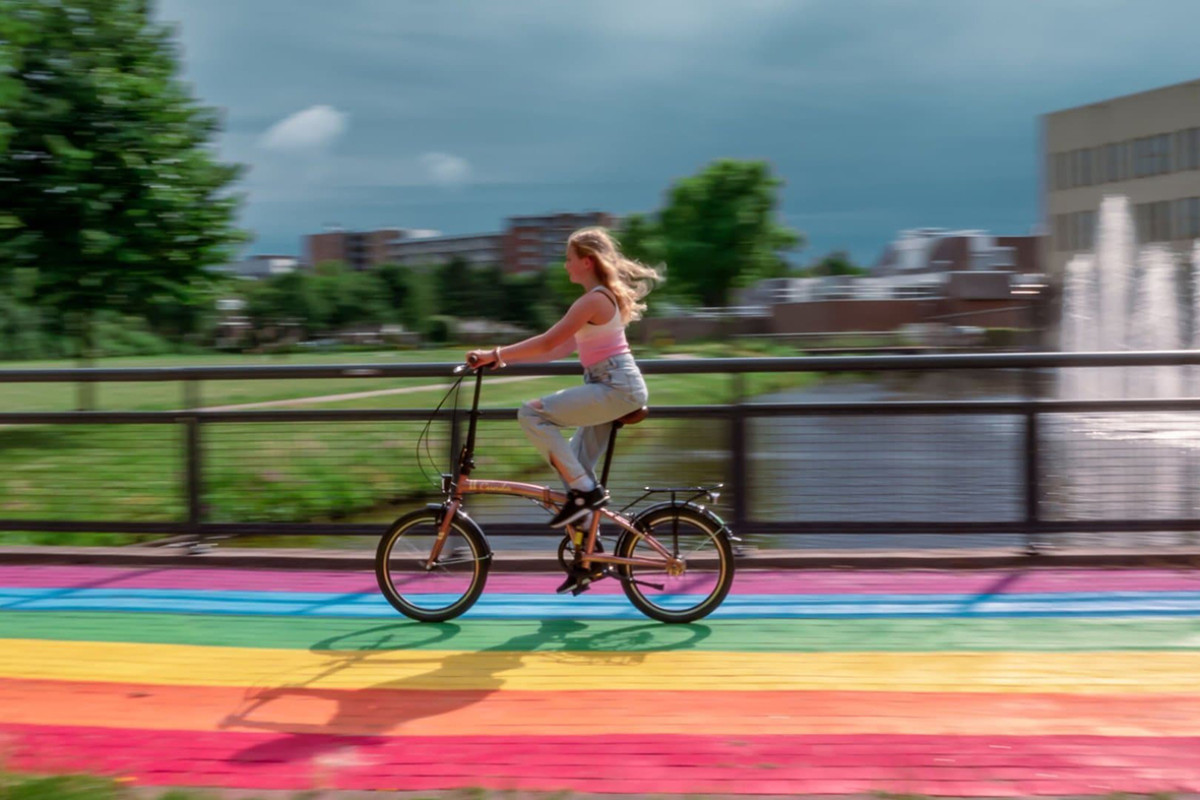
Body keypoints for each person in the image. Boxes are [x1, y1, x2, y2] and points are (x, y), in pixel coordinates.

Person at [466, 226, 661, 537]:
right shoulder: (596, 300)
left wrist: (494, 352)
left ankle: (586, 493)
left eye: (569, 258)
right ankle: (588, 555)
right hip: (613, 387)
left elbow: (546, 342)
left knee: (531, 413)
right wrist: (500, 359)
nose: (565, 264)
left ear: (587, 261)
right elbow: (555, 350)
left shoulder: (593, 300)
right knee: (572, 471)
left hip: (615, 388)